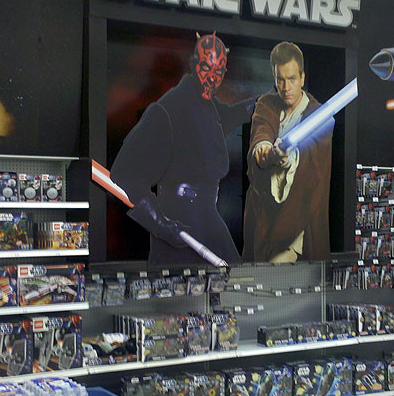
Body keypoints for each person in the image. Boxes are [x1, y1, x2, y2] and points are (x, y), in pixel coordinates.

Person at [110, 33, 252, 266]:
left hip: (207, 215)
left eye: (219, 72)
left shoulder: (207, 106)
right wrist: (161, 224)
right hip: (179, 219)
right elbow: (124, 172)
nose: (212, 78)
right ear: (194, 64)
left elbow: (229, 116)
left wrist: (265, 104)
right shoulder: (168, 109)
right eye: (206, 68)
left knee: (232, 275)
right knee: (179, 281)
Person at [243, 41, 332, 262]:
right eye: (280, 79)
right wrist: (266, 151)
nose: (286, 87)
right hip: (266, 218)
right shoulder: (266, 104)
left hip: (300, 220)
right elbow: (261, 134)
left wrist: (286, 159)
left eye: (292, 79)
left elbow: (314, 168)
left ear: (302, 78)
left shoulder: (319, 116)